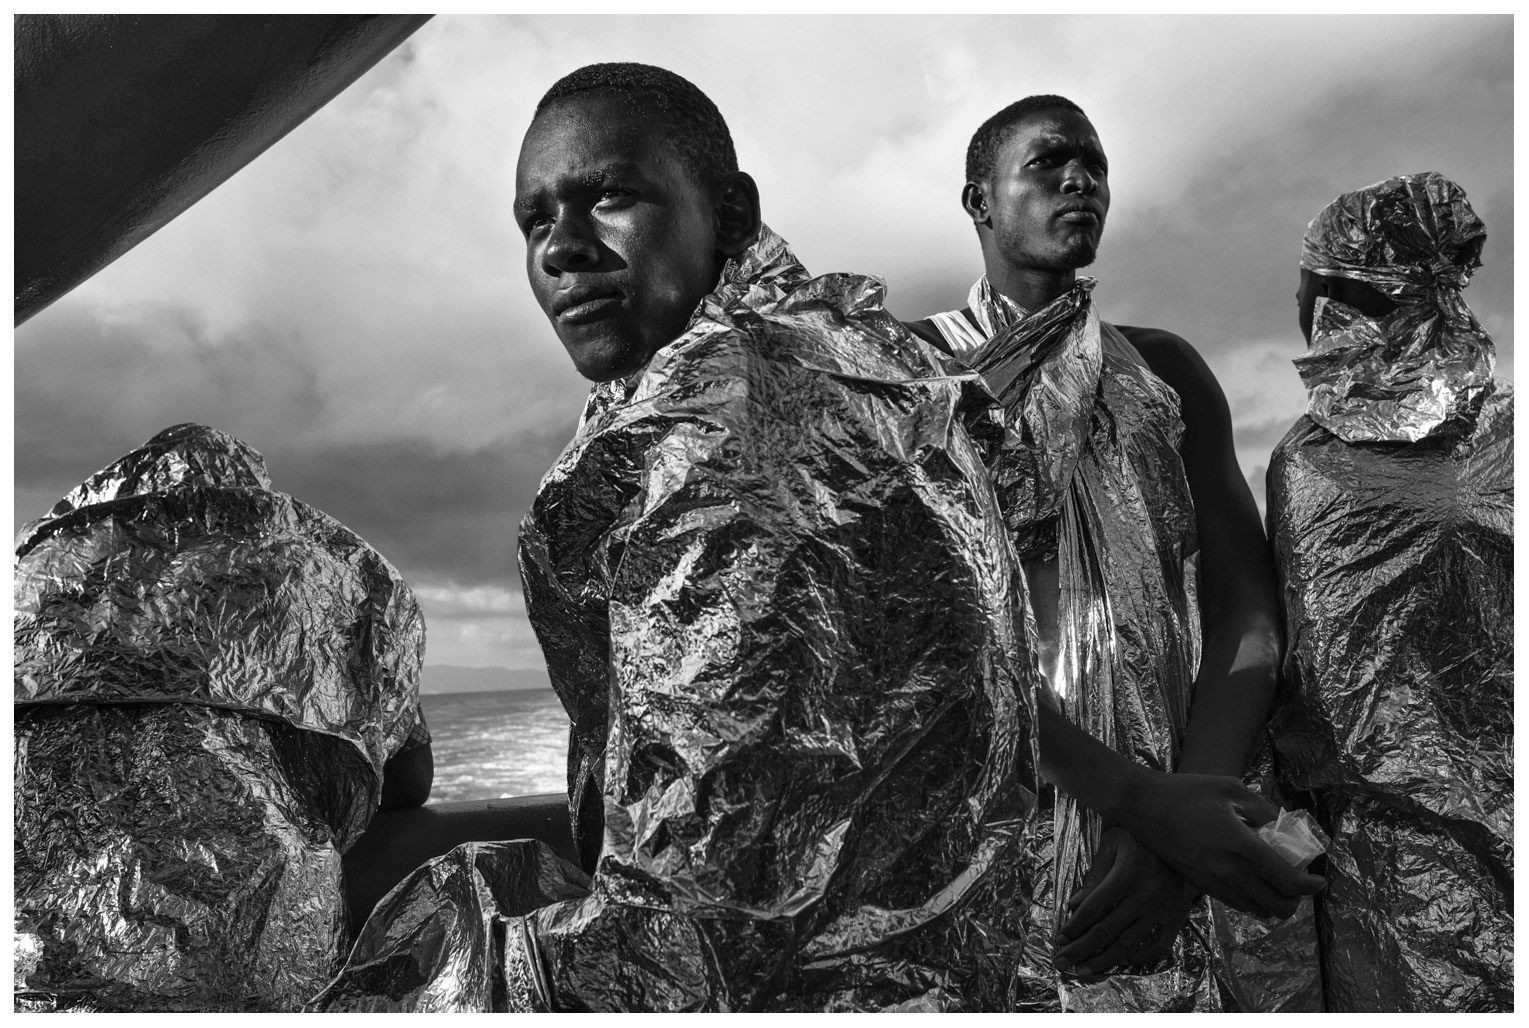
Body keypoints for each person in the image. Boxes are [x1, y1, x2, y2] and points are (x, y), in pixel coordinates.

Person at [313, 63, 1040, 1012]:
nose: (563, 248)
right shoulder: (852, 370)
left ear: (729, 215)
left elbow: (688, 933)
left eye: (608, 196)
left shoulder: (720, 441)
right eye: (535, 222)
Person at [905, 95, 1323, 1011]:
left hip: (1175, 820)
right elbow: (916, 643)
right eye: (1048, 161)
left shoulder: (1164, 369)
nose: (1079, 179)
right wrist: (1133, 800)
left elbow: (1244, 611)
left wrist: (1187, 810)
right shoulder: (910, 375)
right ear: (977, 200)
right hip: (993, 830)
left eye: (1094, 165)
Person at [13, 423, 432, 1011]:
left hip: (31, 952)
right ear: (251, 503)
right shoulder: (311, 576)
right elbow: (411, 782)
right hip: (257, 944)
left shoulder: (33, 584)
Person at [1267, 172, 1512, 1012]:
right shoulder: (1505, 440)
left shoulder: (1312, 465)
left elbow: (1310, 687)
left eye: (1306, 285)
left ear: (1340, 297)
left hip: (1387, 869)